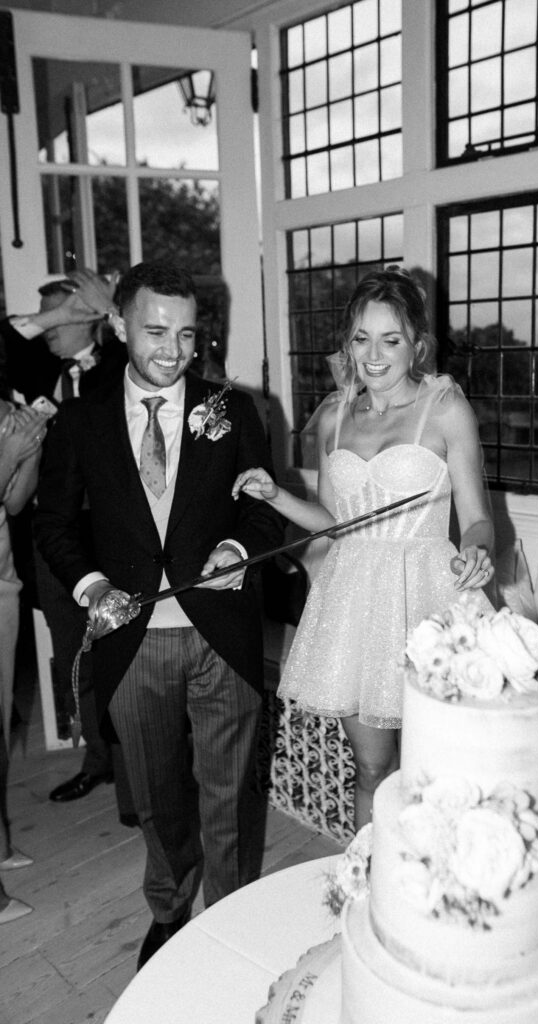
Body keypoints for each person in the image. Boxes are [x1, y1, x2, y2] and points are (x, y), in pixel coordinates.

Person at [34, 260, 284, 969]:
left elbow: (260, 506)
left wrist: (238, 545)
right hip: (133, 641)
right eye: (154, 331)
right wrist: (89, 587)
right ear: (117, 325)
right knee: (156, 795)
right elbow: (54, 524)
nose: (172, 350)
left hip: (222, 640)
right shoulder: (80, 421)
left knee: (229, 795)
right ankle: (170, 912)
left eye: (185, 333)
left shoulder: (234, 410)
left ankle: (232, 918)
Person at [232, 266, 495, 831]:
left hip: (429, 601)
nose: (374, 355)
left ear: (416, 344)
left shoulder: (445, 408)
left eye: (391, 339)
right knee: (372, 769)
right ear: (347, 343)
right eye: (361, 338)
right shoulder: (332, 415)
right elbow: (331, 526)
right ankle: (369, 883)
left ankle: (433, 894)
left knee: (436, 774)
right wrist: (275, 493)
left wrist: (477, 549)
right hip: (353, 605)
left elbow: (476, 518)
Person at [0, 269, 129, 804]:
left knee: (121, 653)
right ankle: (97, 759)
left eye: (69, 315)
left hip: (112, 538)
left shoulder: (120, 370)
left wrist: (112, 310)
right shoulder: (36, 371)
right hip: (53, 542)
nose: (54, 327)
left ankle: (136, 771)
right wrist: (54, 314)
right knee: (73, 655)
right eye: (50, 316)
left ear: (96, 321)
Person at [0, 396, 50, 923]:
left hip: (2, 586)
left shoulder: (6, 409)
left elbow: (13, 503)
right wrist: (10, 449)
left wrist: (30, 447)